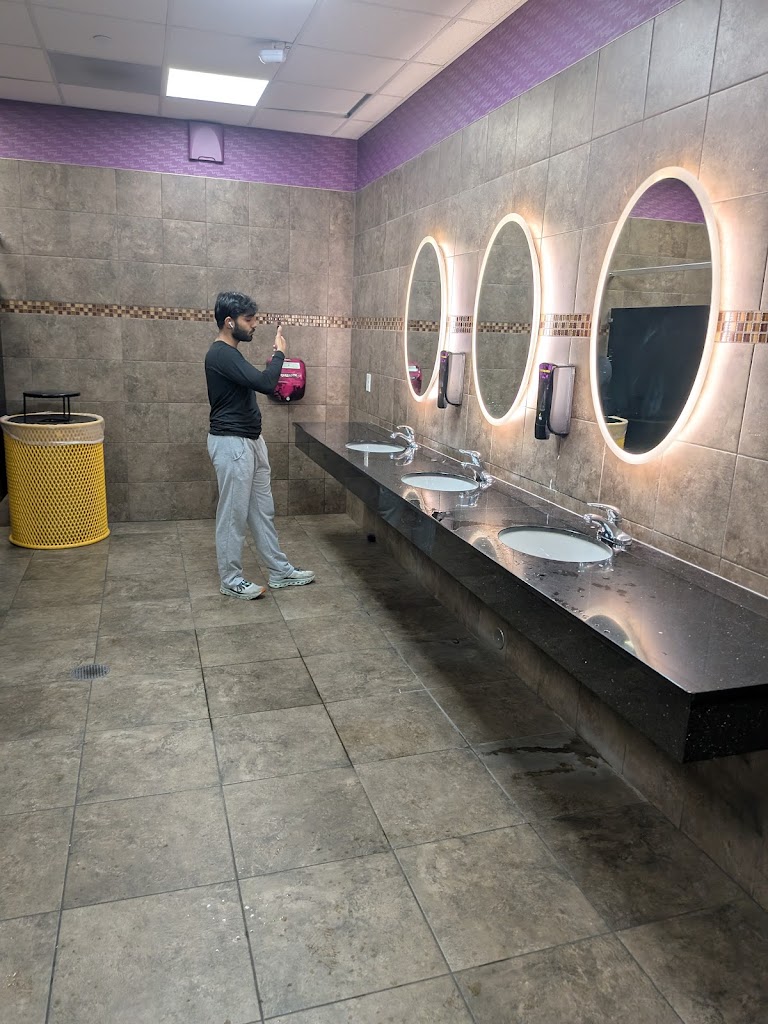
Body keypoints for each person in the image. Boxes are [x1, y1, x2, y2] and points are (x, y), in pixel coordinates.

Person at [205, 291, 315, 599]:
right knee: (233, 515)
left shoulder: (231, 354)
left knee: (261, 510)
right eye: (249, 319)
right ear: (230, 322)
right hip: (232, 444)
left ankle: (279, 570)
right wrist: (280, 353)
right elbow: (266, 383)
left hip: (250, 441)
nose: (254, 324)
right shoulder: (221, 354)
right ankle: (231, 579)